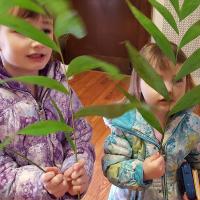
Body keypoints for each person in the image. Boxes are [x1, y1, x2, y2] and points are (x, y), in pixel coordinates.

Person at [0, 7, 95, 200]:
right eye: (24, 31)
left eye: (45, 31)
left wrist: (76, 169)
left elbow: (79, 133)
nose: (39, 42)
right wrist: (39, 185)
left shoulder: (58, 82)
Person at [102, 42, 200, 200]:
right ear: (139, 83)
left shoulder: (191, 124)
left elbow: (196, 159)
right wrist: (143, 172)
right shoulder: (124, 124)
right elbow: (112, 168)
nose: (168, 89)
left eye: (178, 80)